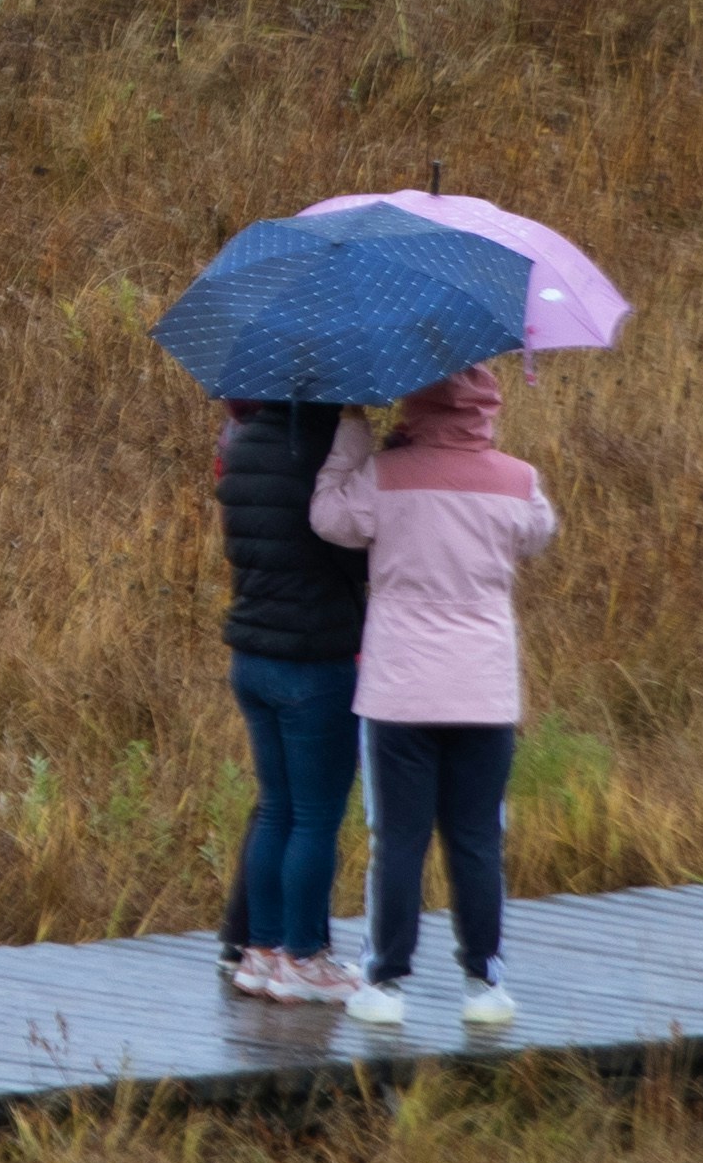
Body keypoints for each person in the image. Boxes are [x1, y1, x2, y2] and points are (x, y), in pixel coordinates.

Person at [313, 359, 556, 1029]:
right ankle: (484, 983)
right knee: (477, 839)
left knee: (400, 840)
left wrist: (352, 441)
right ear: (487, 409)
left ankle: (386, 983)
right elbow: (539, 534)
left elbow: (330, 519)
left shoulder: (385, 478)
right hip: (484, 691)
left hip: (400, 690)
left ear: (416, 402)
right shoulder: (519, 481)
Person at [210, 395, 368, 1002]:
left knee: (276, 809)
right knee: (314, 819)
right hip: (315, 656)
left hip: (252, 653)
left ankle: (261, 952)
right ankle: (305, 957)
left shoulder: (243, 443)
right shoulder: (327, 445)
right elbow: (346, 552)